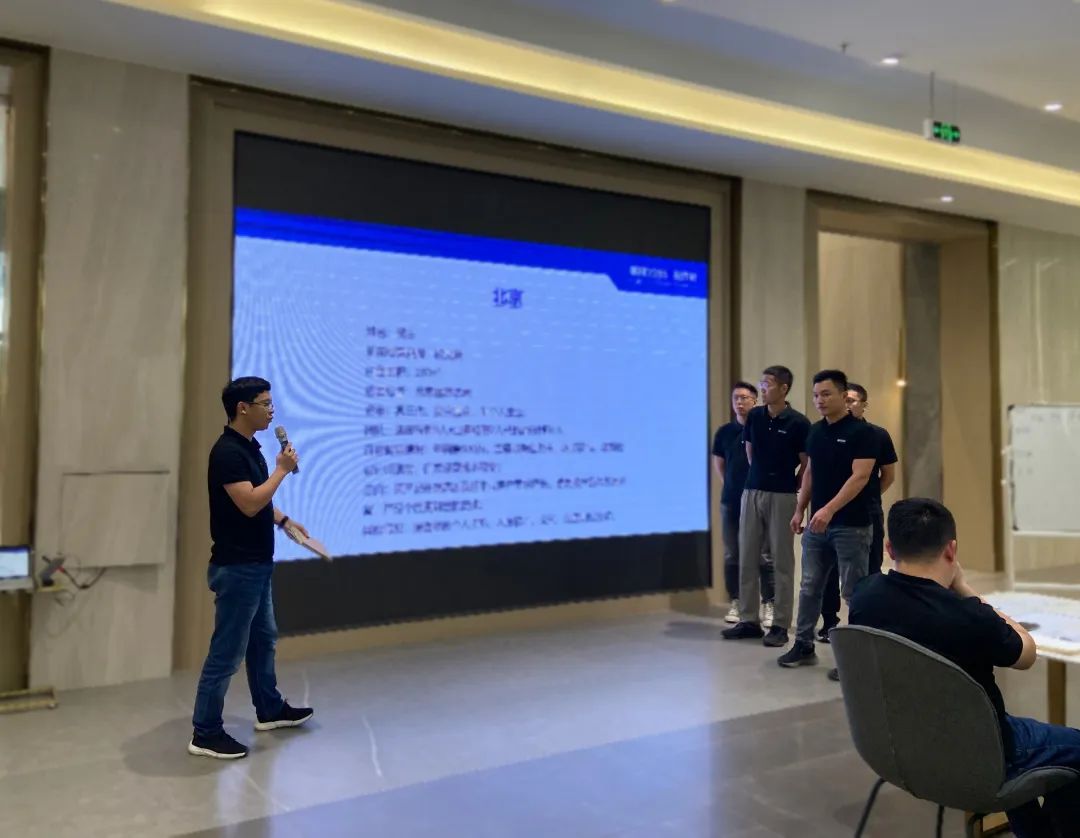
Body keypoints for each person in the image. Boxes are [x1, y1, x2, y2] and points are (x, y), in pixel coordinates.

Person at [850, 498, 1080, 837]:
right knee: (1073, 747)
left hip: (895, 749)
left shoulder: (864, 597)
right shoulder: (968, 617)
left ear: (889, 548)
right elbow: (1027, 653)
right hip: (981, 757)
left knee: (1027, 754)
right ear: (951, 549)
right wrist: (966, 590)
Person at [189, 377, 314, 760]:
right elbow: (247, 503)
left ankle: (270, 709)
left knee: (263, 640)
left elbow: (259, 500)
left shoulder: (249, 447)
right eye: (265, 403)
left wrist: (284, 520)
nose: (272, 411)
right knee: (227, 653)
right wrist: (282, 470)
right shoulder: (227, 452)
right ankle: (205, 732)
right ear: (242, 408)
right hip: (237, 567)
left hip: (257, 564)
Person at [780, 369, 876, 674]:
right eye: (815, 395)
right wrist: (800, 509)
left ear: (844, 396)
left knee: (853, 592)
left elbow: (860, 477)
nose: (819, 400)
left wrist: (829, 510)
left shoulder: (864, 433)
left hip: (852, 525)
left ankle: (857, 658)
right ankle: (803, 644)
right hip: (817, 526)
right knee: (809, 586)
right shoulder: (815, 431)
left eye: (826, 394)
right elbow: (810, 472)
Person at [722, 365, 810, 648]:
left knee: (780, 560)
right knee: (747, 555)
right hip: (751, 491)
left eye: (768, 384)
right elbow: (750, 452)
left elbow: (806, 464)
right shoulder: (756, 416)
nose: (762, 388)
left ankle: (780, 625)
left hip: (782, 494)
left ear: (783, 388)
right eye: (761, 383)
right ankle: (749, 620)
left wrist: (794, 486)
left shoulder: (798, 422)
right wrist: (757, 478)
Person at [818, 383, 897, 644]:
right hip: (829, 511)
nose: (848, 405)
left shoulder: (877, 435)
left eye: (853, 400)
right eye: (845, 400)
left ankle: (868, 624)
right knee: (828, 570)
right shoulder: (825, 432)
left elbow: (888, 475)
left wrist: (866, 496)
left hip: (866, 512)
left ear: (864, 405)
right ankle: (829, 622)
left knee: (869, 569)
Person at [712, 381, 775, 627]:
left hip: (761, 499)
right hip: (731, 501)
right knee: (733, 554)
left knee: (765, 554)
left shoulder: (764, 429)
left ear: (755, 400)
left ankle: (769, 603)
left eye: (744, 398)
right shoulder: (725, 432)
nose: (739, 402)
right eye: (735, 398)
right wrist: (731, 486)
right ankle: (737, 602)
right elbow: (720, 464)